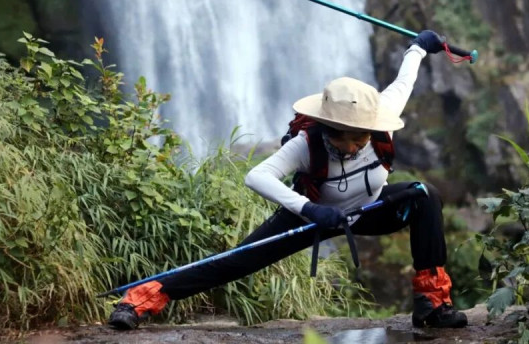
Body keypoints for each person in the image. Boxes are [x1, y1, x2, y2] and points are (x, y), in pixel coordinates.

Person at [108, 30, 468, 330]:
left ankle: (433, 304)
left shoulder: (379, 120)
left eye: (363, 138)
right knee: (236, 261)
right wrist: (309, 209)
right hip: (309, 216)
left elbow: (404, 81)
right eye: (350, 139)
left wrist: (419, 47)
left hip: (365, 211)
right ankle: (139, 301)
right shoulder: (306, 144)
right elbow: (257, 175)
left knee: (425, 195)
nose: (358, 145)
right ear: (330, 129)